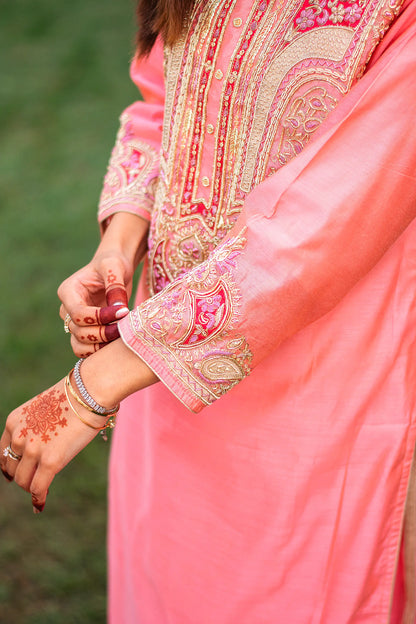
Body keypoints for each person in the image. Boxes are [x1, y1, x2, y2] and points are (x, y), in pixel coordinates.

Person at [2, 0, 416, 621]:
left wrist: (93, 386)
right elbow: (161, 105)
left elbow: (326, 227)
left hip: (313, 389)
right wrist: (119, 242)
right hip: (157, 375)